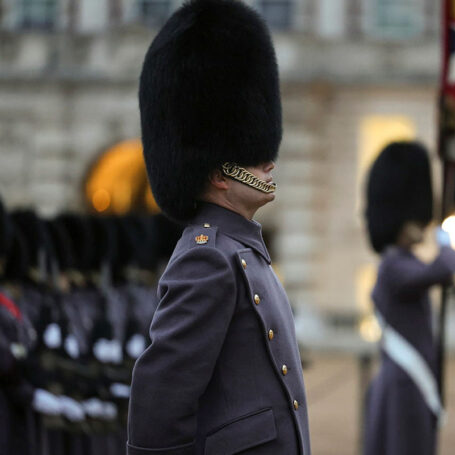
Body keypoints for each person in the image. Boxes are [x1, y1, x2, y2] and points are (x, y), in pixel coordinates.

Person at [126, 1, 310, 454]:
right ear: (218, 173)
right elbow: (158, 407)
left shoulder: (241, 249)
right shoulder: (208, 258)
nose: (269, 160)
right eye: (251, 152)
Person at [363, 142, 455, 455]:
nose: (422, 223)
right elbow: (439, 272)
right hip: (405, 383)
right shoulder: (394, 264)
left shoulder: (404, 260)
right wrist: (446, 243)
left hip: (412, 380)